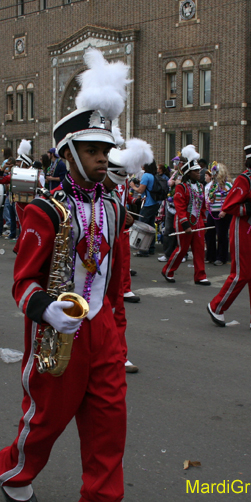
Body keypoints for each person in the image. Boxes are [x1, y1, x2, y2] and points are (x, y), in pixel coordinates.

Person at [0, 47, 129, 502]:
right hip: (58, 329)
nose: (102, 159)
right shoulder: (45, 210)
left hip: (103, 330)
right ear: (69, 152)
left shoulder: (113, 205)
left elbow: (115, 277)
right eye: (92, 150)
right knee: (46, 420)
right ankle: (14, 470)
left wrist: (116, 329)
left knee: (110, 425)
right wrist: (47, 310)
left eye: (106, 150)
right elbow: (22, 282)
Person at [207, 115, 251, 334]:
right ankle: (216, 305)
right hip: (243, 229)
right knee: (241, 274)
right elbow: (228, 206)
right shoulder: (244, 179)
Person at [104, 136, 153, 374]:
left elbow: (118, 202)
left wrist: (126, 211)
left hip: (117, 240)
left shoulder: (118, 182)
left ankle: (118, 354)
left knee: (117, 305)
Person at [161, 145, 208, 285]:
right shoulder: (181, 187)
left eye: (199, 170)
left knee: (199, 249)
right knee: (182, 249)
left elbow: (203, 205)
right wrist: (185, 224)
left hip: (198, 221)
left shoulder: (200, 187)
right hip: (184, 221)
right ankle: (168, 270)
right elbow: (180, 207)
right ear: (188, 173)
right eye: (195, 171)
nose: (199, 173)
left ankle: (200, 275)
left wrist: (203, 221)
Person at [130, 161, 160, 257]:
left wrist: (133, 186)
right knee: (150, 226)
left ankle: (143, 250)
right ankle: (150, 248)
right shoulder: (153, 175)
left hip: (148, 204)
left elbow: (140, 190)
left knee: (142, 227)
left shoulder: (146, 175)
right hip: (155, 203)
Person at [204, 162, 231, 266]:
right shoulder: (213, 185)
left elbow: (230, 200)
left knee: (221, 235)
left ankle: (221, 257)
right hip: (212, 211)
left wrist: (225, 211)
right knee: (210, 233)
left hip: (222, 212)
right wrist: (208, 203)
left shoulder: (228, 185)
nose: (213, 174)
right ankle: (211, 256)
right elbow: (210, 197)